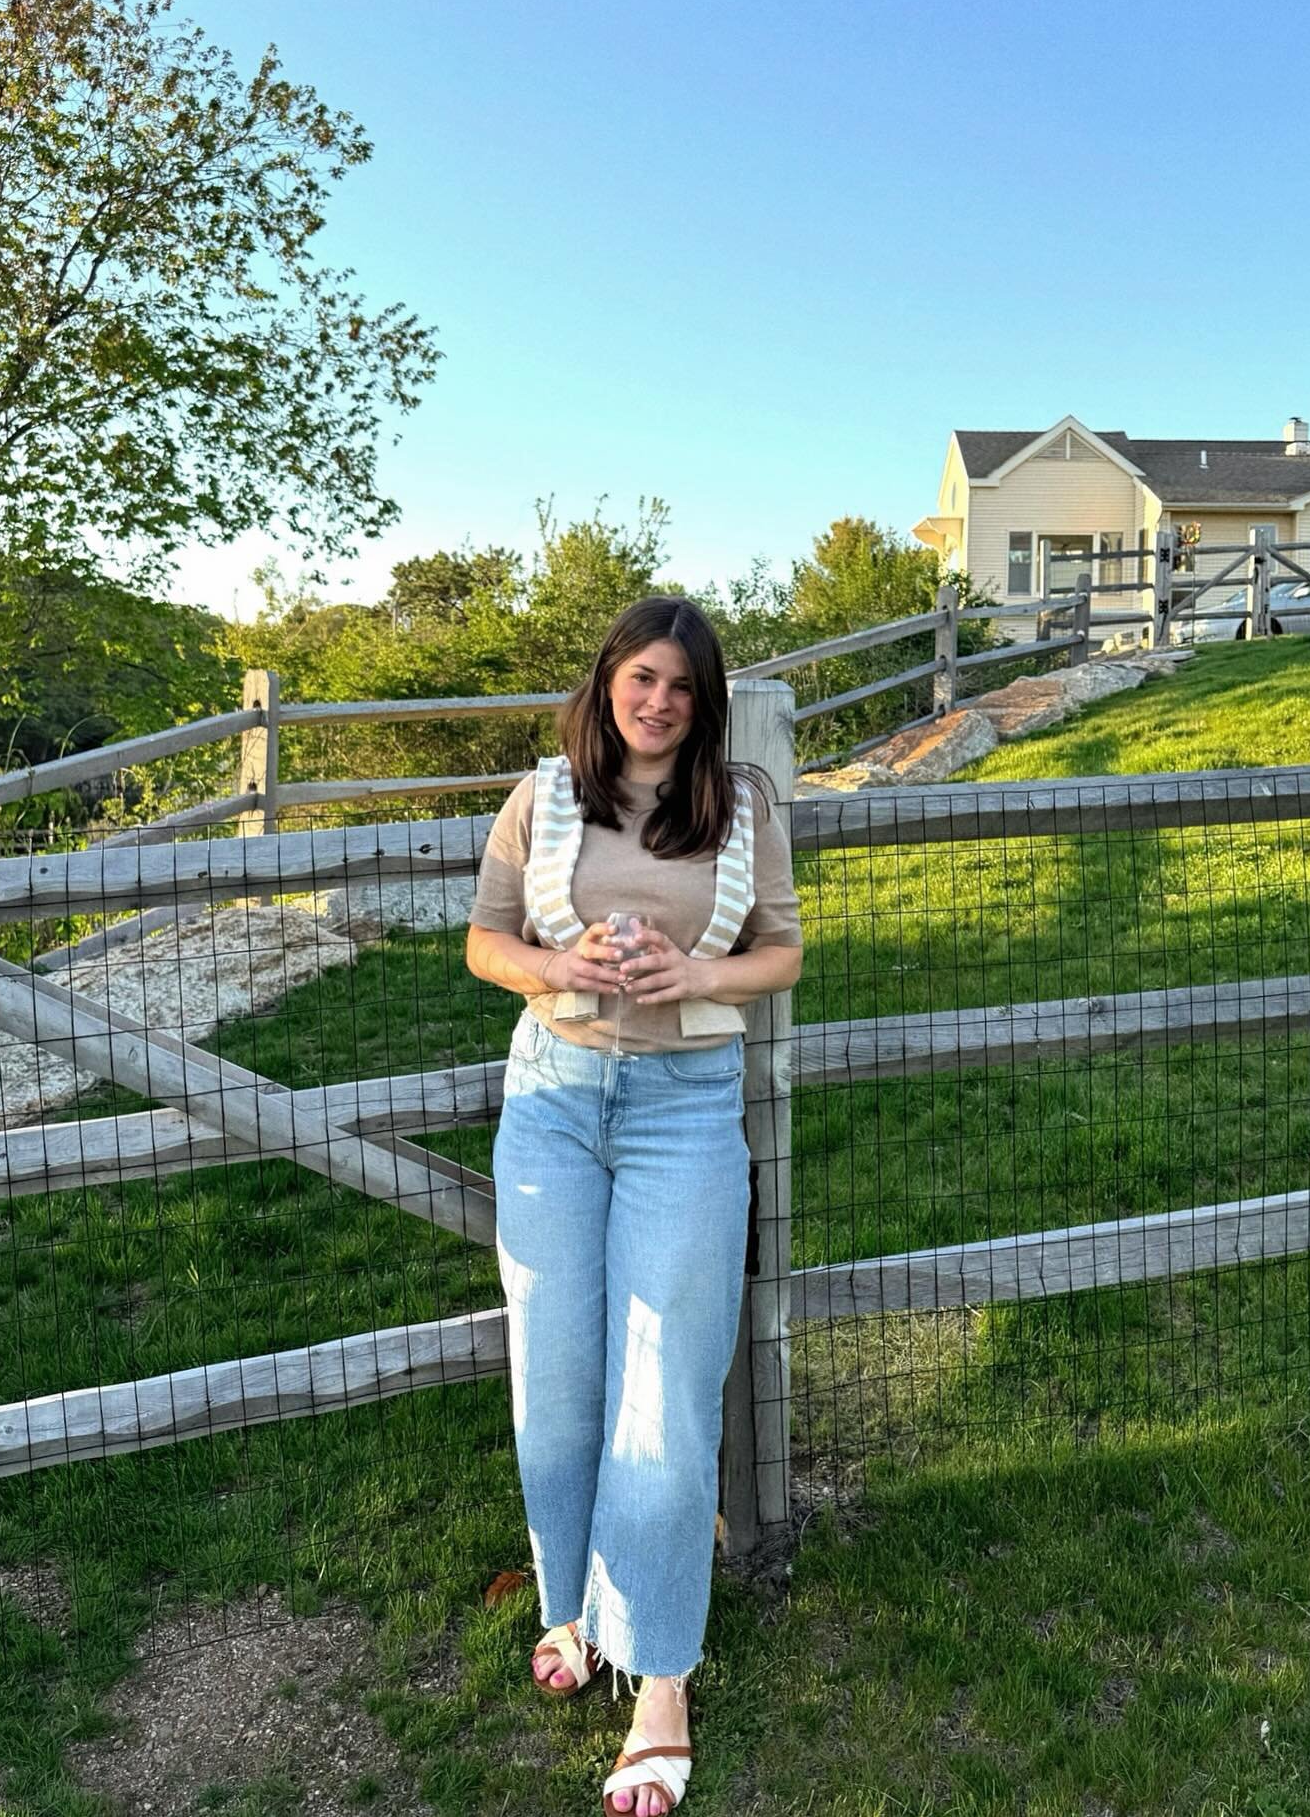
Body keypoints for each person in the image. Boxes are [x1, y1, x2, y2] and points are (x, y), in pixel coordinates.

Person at [465, 596, 803, 1817]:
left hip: (683, 1107)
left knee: (667, 1380)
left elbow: (783, 952)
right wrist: (561, 965)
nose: (658, 701)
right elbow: (484, 941)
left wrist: (695, 970)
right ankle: (574, 1605)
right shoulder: (541, 794)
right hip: (552, 1102)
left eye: (682, 687)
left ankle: (661, 1674)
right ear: (608, 678)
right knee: (554, 1375)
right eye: (641, 676)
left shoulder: (743, 805)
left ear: (705, 704)